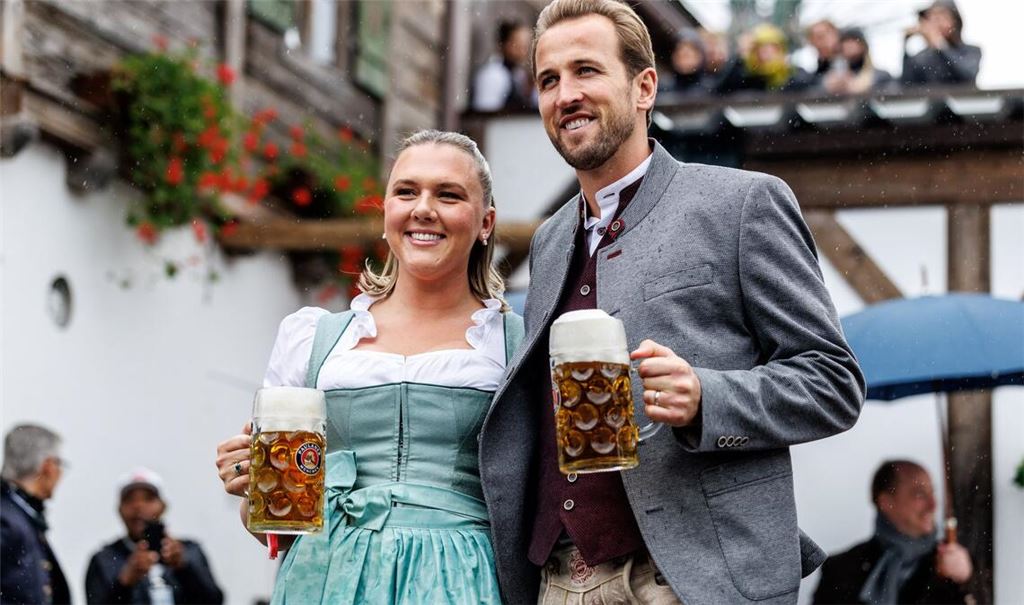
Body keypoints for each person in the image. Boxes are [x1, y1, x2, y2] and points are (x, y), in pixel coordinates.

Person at [477, 0, 865, 603]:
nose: (565, 94)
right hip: (558, 579)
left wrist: (709, 398)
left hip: (690, 580)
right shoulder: (551, 239)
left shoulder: (742, 204)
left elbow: (832, 384)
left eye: (586, 71)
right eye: (549, 80)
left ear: (644, 87)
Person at [215, 130, 524, 604]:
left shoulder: (515, 345)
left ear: (486, 223)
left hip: (462, 580)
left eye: (448, 194)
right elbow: (274, 529)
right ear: (386, 214)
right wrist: (250, 488)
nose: (423, 208)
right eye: (406, 191)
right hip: (325, 580)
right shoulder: (314, 340)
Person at [813, 460, 974, 604]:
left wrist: (962, 581)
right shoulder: (841, 569)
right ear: (886, 502)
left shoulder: (958, 563)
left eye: (932, 492)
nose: (933, 505)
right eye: (919, 494)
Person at [85, 468, 224, 604]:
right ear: (120, 510)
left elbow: (214, 600)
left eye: (148, 499)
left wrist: (184, 568)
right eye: (130, 500)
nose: (138, 506)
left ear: (163, 506)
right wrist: (125, 582)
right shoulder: (104, 559)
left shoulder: (190, 551)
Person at [0, 424, 70, 605]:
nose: (60, 473)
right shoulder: (7, 517)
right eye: (59, 464)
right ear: (48, 466)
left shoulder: (20, 513)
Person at [901, 0, 981, 87]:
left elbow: (967, 77)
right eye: (932, 18)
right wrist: (906, 44)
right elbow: (906, 84)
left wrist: (940, 44)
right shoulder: (922, 58)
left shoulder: (971, 51)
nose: (935, 23)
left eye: (940, 17)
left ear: (954, 21)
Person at [472, 20, 535, 112]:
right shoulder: (493, 75)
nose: (524, 49)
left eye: (526, 44)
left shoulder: (519, 75)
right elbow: (485, 113)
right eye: (519, 43)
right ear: (505, 44)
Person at [822, 28, 893, 96]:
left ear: (863, 46)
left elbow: (890, 93)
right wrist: (829, 87)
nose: (848, 45)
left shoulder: (881, 76)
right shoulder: (832, 78)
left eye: (853, 41)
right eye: (845, 42)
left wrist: (860, 88)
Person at [660, 28, 713, 97]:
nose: (683, 60)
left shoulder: (709, 89)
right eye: (679, 55)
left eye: (687, 55)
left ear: (699, 56)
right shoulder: (664, 87)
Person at [804, 20, 840, 86]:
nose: (818, 43)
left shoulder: (850, 61)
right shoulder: (818, 66)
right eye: (813, 39)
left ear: (835, 35)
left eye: (820, 37)